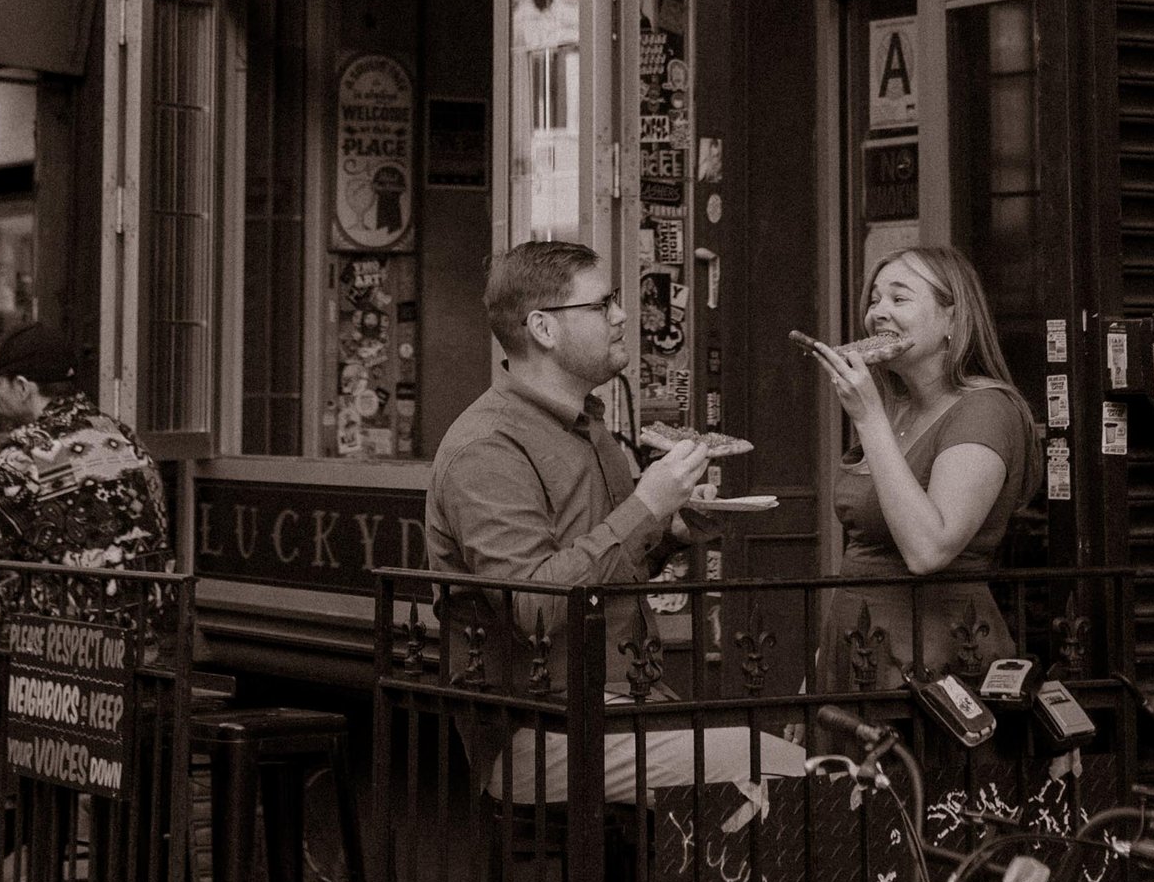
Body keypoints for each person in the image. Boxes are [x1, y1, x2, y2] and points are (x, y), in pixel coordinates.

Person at [426, 239, 801, 800]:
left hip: (624, 703)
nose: (623, 316)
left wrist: (669, 533)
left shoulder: (588, 427)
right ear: (544, 329)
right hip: (536, 729)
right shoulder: (488, 447)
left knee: (784, 766)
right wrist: (646, 506)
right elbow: (532, 608)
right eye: (603, 305)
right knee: (786, 770)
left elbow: (598, 570)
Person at [811, 245, 1032, 690]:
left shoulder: (985, 410)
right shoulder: (896, 411)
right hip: (855, 648)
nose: (878, 313)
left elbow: (928, 550)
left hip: (934, 657)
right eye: (874, 300)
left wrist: (867, 418)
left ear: (954, 318)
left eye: (899, 298)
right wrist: (817, 669)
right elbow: (861, 558)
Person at [0, 323, 174, 571]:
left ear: (23, 387)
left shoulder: (32, 452)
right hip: (147, 604)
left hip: (67, 607)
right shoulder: (124, 435)